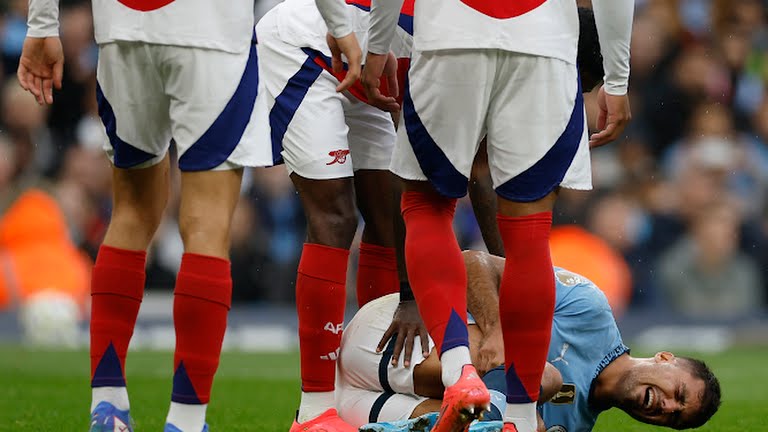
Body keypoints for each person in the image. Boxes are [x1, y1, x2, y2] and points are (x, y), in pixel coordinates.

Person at [18, 0, 361, 431]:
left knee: (130, 212)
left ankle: (107, 405)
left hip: (124, 29)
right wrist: (338, 23)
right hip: (211, 30)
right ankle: (185, 419)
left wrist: (42, 24)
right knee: (208, 224)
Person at [360, 0, 634, 429]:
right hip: (545, 46)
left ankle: (459, 372)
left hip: (451, 35)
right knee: (529, 234)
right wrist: (617, 80)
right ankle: (522, 417)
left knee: (427, 206)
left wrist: (377, 45)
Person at [335, 251, 722, 432]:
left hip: (359, 403)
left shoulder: (573, 427)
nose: (666, 406)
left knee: (510, 419)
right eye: (679, 394)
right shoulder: (589, 308)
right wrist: (496, 330)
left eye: (674, 417)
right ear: (665, 358)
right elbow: (474, 264)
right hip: (392, 339)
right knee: (540, 379)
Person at [254, 0, 415, 429]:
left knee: (389, 216)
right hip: (308, 48)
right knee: (337, 217)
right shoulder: (462, 26)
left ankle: (369, 387)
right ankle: (314, 409)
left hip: (373, 68)